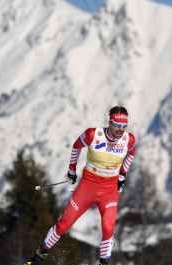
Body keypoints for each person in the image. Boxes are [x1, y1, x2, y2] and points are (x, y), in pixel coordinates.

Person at [24, 106, 137, 265]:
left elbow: (131, 153)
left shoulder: (129, 139)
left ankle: (104, 263)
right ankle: (39, 256)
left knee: (108, 227)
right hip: (88, 186)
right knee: (64, 224)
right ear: (110, 122)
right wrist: (72, 170)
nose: (121, 130)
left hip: (109, 190)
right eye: (118, 125)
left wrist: (123, 175)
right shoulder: (93, 134)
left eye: (124, 126)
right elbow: (77, 146)